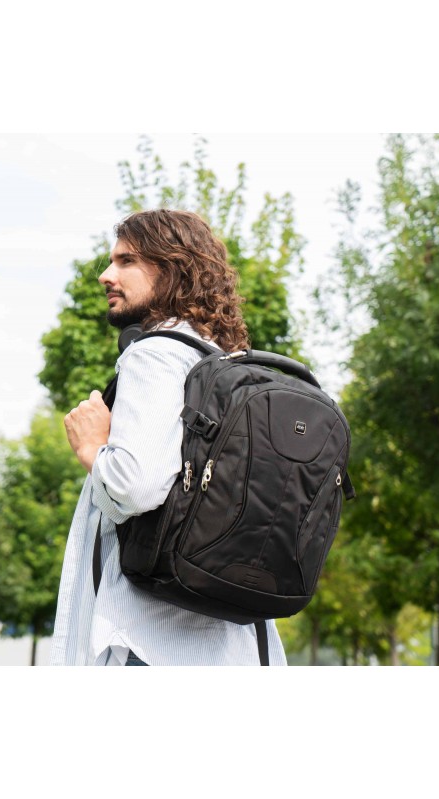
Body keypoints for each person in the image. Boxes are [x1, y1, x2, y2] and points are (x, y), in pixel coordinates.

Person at [48, 208, 287, 666]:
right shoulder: (224, 364)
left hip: (149, 640)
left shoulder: (155, 354)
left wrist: (92, 447)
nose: (105, 275)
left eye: (126, 261)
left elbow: (135, 486)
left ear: (172, 270)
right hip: (232, 641)